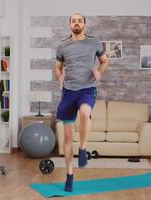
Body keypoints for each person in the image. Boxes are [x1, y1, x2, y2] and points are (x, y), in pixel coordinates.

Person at [55, 13, 109, 192]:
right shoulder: (63, 45)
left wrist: (99, 73)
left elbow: (104, 60)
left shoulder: (94, 42)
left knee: (85, 113)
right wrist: (59, 75)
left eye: (79, 20)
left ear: (85, 24)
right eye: (73, 21)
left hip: (87, 89)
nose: (76, 23)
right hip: (68, 92)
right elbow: (58, 66)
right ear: (70, 24)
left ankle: (84, 149)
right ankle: (69, 175)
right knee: (68, 137)